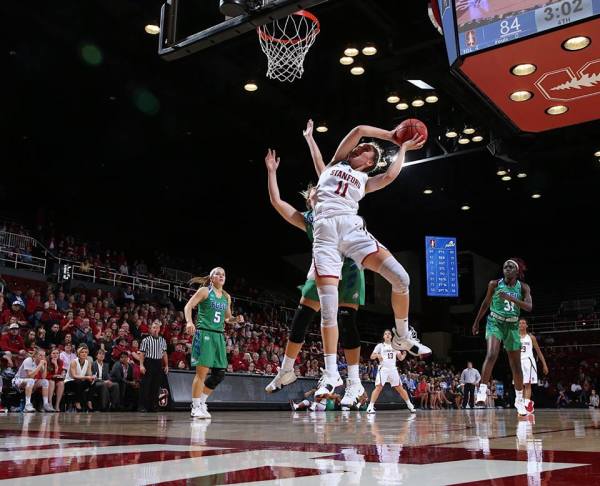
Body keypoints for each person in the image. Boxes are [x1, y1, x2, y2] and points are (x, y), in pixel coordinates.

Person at [294, 122, 430, 396]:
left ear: (369, 163)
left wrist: (401, 148)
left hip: (351, 229)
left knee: (402, 278)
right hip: (325, 234)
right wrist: (390, 135)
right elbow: (356, 130)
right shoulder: (335, 164)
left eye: (366, 150)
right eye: (361, 146)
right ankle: (331, 374)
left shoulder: (365, 180)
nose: (360, 147)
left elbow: (390, 176)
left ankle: (402, 335)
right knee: (329, 309)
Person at [263, 121, 367, 408]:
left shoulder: (337, 194)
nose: (315, 194)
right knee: (301, 316)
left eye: (317, 190)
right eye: (310, 194)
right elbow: (276, 202)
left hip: (348, 266)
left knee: (347, 322)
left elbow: (324, 164)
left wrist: (310, 139)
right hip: (322, 268)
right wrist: (272, 172)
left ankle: (355, 381)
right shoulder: (308, 219)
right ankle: (286, 369)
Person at [472, 258, 532, 416]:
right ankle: (482, 392)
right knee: (492, 354)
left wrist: (512, 298)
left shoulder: (523, 287)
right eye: (505, 266)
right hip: (495, 322)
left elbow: (529, 307)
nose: (507, 268)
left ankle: (519, 401)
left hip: (512, 325)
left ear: (517, 271)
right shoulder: (494, 284)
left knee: (516, 365)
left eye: (511, 266)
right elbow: (485, 303)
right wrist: (477, 322)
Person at [184, 267, 243, 419]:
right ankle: (195, 406)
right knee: (202, 373)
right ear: (211, 278)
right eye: (218, 273)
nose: (221, 276)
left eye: (223, 274)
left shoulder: (226, 297)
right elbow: (188, 306)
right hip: (205, 334)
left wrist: (235, 319)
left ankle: (202, 403)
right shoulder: (204, 291)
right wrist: (189, 322)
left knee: (220, 374)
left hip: (219, 336)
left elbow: (227, 318)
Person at [367, 330, 415, 414]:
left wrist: (404, 354)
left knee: (400, 388)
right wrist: (377, 355)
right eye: (385, 334)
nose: (387, 335)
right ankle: (370, 407)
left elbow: (400, 358)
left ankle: (410, 405)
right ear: (383, 337)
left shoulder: (395, 346)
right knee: (378, 387)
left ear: (391, 336)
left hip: (393, 369)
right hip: (384, 369)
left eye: (389, 334)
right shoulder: (380, 346)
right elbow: (371, 356)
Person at [518, 318, 548, 414]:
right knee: (519, 385)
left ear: (526, 326)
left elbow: (538, 352)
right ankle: (525, 404)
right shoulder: (514, 337)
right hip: (518, 362)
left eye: (523, 323)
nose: (522, 324)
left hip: (528, 362)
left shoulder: (531, 337)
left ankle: (526, 404)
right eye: (520, 323)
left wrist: (544, 364)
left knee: (527, 384)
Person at [138, 321, 168, 412]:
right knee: (145, 385)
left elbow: (164, 354)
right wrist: (141, 365)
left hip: (158, 363)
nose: (155, 329)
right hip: (149, 362)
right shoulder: (146, 340)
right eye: (153, 328)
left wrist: (166, 365)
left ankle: (153, 406)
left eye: (157, 328)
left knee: (156, 386)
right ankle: (142, 406)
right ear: (151, 329)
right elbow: (142, 354)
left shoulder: (162, 340)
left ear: (159, 329)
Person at [12, 348, 54, 412]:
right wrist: (40, 365)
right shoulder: (28, 360)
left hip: (30, 382)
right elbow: (30, 375)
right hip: (18, 380)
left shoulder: (41, 362)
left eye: (44, 356)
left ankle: (45, 404)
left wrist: (45, 366)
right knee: (30, 380)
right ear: (35, 356)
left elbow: (43, 377)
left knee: (45, 382)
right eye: (40, 355)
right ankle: (27, 405)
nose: (42, 357)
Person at [65, 345, 95, 412]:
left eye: (85, 352)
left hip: (81, 381)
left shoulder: (88, 362)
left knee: (92, 382)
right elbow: (74, 376)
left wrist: (91, 378)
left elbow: (89, 374)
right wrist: (86, 377)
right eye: (82, 352)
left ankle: (89, 401)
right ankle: (77, 402)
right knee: (78, 382)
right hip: (70, 382)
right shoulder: (74, 362)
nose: (84, 353)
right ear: (78, 354)